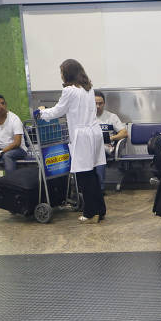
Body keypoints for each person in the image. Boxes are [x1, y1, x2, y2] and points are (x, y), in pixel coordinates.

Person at [37, 59, 106, 223]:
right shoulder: (88, 88)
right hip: (94, 132)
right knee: (93, 174)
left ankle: (90, 212)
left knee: (84, 176)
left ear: (67, 73)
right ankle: (100, 209)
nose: (61, 75)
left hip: (82, 135)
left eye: (61, 72)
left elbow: (59, 110)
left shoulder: (69, 90)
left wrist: (42, 113)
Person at [94, 90, 127, 192]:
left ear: (104, 103)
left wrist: (111, 138)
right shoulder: (86, 117)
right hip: (90, 146)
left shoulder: (111, 117)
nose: (98, 106)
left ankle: (100, 188)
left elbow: (124, 133)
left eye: (100, 103)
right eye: (95, 103)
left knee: (99, 152)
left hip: (106, 147)